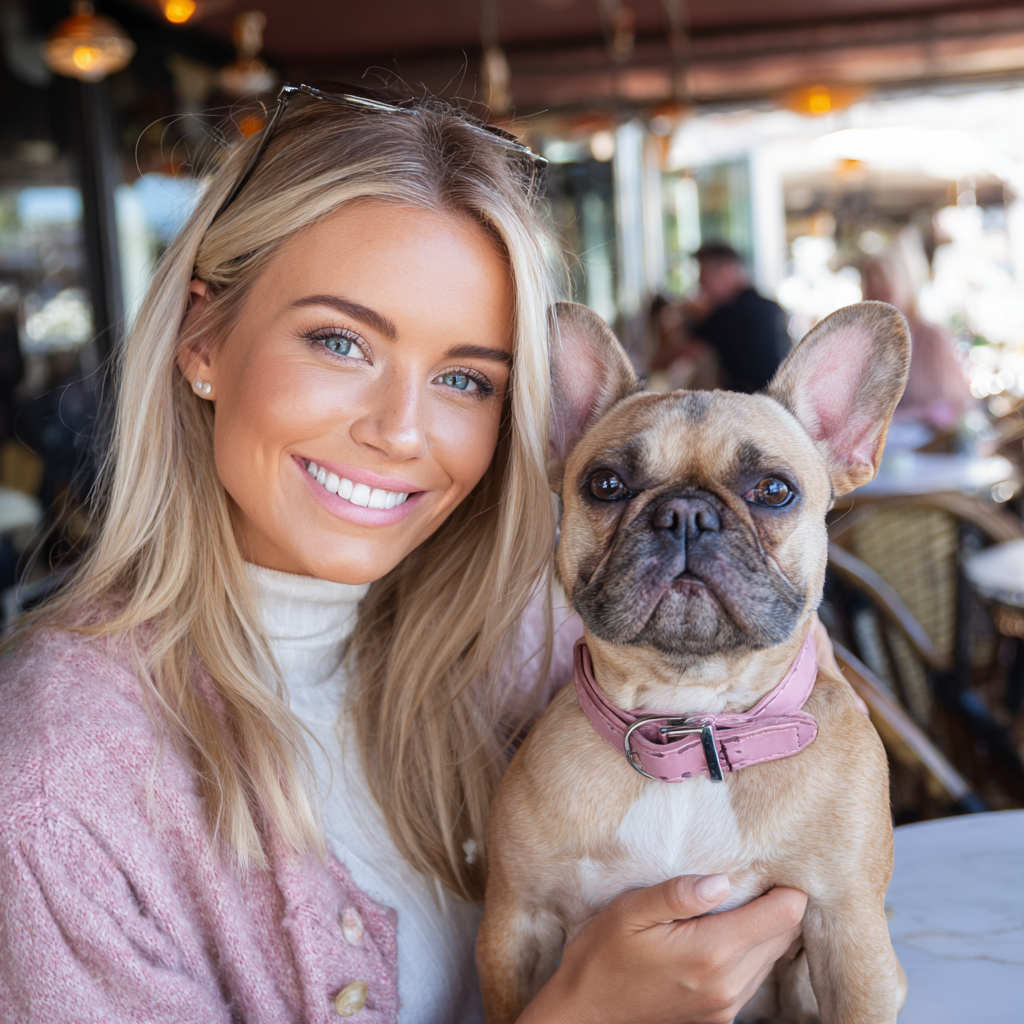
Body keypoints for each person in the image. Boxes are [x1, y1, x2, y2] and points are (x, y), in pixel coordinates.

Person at [0, 85, 807, 1023]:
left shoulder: (534, 643)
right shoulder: (54, 793)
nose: (400, 431)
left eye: (466, 378)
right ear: (202, 337)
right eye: (341, 341)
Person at [861, 251, 972, 431]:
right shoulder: (865, 343)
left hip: (931, 448)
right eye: (872, 289)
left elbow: (957, 403)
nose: (878, 294)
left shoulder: (933, 338)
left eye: (884, 288)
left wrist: (917, 415)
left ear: (904, 285)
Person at [688, 242, 791, 393]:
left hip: (750, 407)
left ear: (726, 271)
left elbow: (682, 349)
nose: (701, 284)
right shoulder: (771, 306)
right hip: (781, 404)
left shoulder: (729, 314)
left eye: (704, 275)